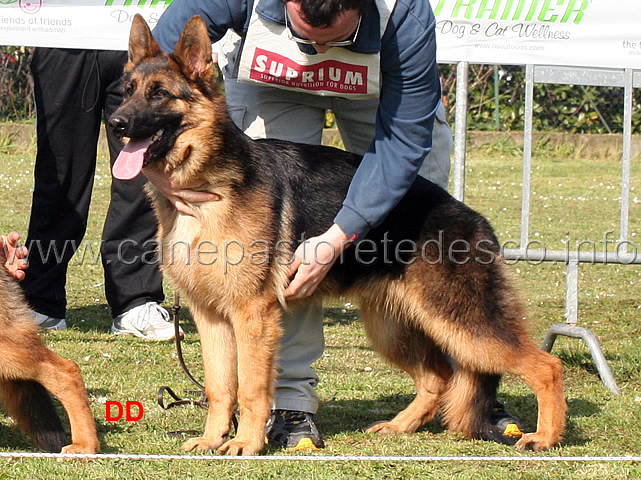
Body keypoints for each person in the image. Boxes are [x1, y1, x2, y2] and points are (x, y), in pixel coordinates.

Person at [149, 0, 522, 449]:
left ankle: (473, 385)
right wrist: (156, 163)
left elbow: (403, 142)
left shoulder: (403, 12)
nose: (319, 51)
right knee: (266, 271)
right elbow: (150, 74)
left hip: (379, 88)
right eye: (306, 34)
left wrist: (338, 236)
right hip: (275, 82)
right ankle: (289, 404)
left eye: (335, 40)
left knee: (422, 236)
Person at [22, 47, 180, 341]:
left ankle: (137, 300)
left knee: (142, 177)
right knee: (57, 174)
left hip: (136, 40)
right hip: (61, 35)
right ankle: (40, 300)